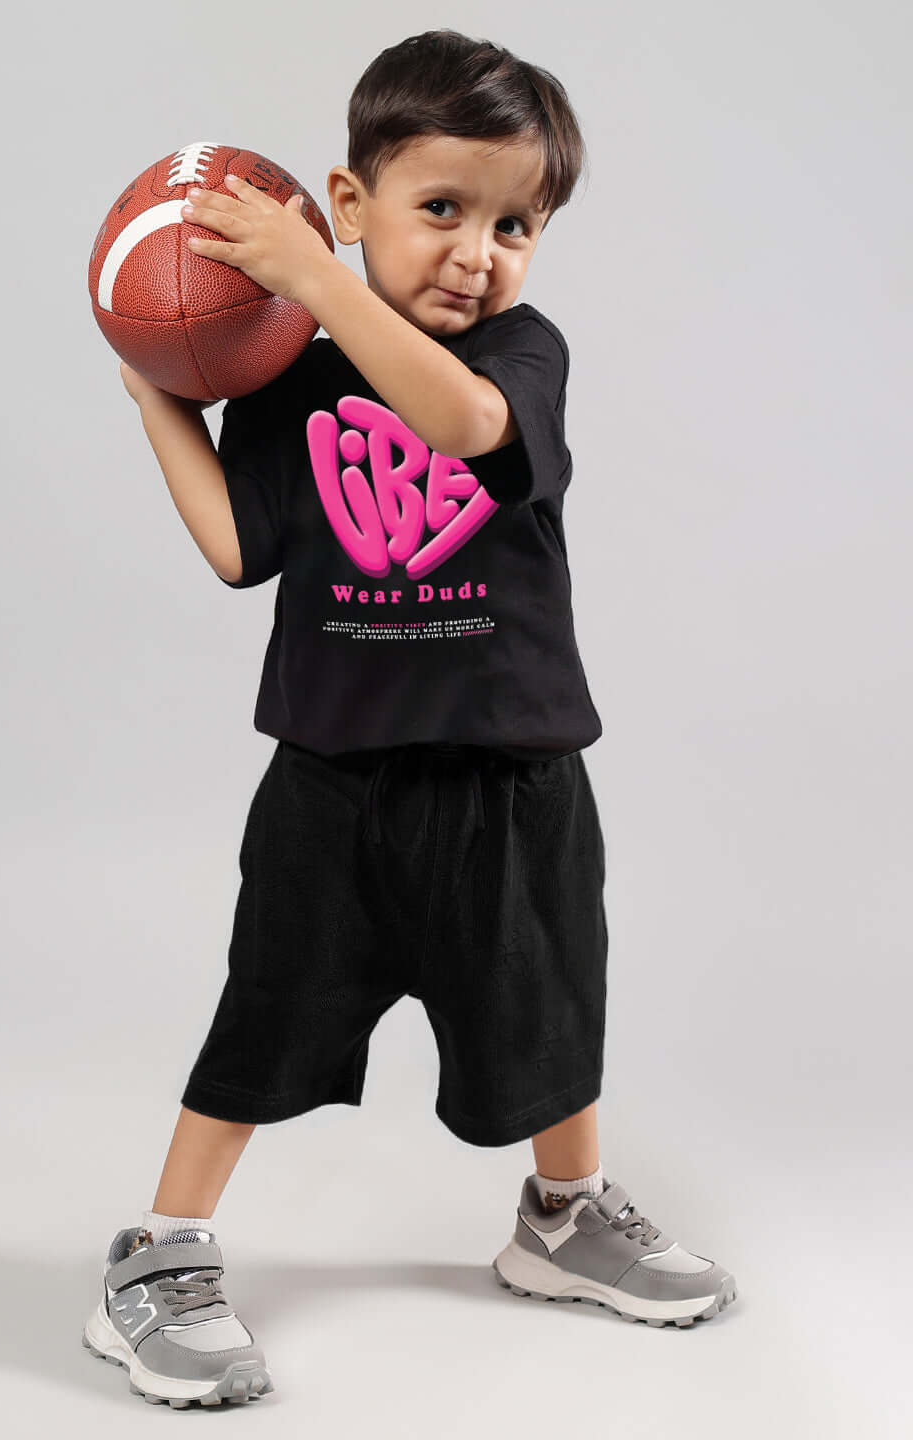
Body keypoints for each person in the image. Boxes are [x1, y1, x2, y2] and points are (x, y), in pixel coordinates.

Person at [81, 28, 737, 1411]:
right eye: (442, 208)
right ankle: (161, 1251)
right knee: (269, 1012)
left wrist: (317, 277)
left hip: (513, 769)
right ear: (351, 197)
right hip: (334, 777)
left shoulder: (522, 356)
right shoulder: (282, 375)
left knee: (548, 1003)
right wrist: (157, 392)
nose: (476, 253)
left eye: (515, 225)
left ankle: (564, 1217)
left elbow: (460, 427)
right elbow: (237, 549)